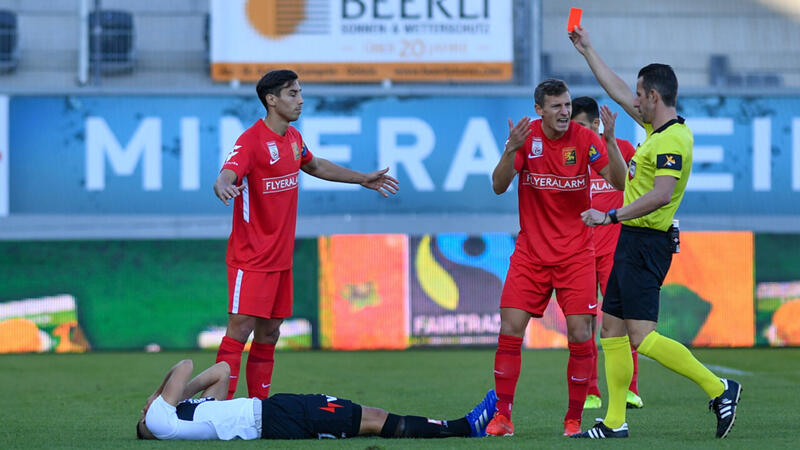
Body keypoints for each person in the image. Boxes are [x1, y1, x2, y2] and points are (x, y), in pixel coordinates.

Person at [569, 26, 741, 439]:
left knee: (642, 338)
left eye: (640, 95)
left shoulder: (674, 140)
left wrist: (611, 217)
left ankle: (719, 389)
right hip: (632, 240)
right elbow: (615, 90)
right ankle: (614, 422)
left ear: (655, 97)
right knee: (609, 329)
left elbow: (663, 194)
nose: (635, 100)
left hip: (647, 243)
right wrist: (587, 50)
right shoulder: (654, 131)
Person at [213, 69, 399, 401]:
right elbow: (228, 171)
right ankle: (221, 408)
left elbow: (314, 166)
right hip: (250, 257)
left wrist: (361, 179)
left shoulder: (294, 139)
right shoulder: (251, 141)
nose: (300, 100)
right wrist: (224, 184)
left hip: (280, 258)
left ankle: (259, 407)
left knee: (270, 333)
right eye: (292, 94)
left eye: (299, 92)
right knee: (239, 330)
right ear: (271, 100)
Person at [487, 78, 628, 437]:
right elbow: (499, 185)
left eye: (567, 105)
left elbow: (618, 182)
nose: (565, 112)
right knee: (509, 328)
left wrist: (610, 142)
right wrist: (509, 150)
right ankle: (503, 417)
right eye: (557, 106)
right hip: (530, 253)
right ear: (540, 110)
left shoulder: (584, 139)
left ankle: (573, 420)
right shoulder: (526, 137)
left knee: (581, 334)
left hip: (576, 254)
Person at [136, 359, 498, 441]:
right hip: (275, 419)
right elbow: (184, 366)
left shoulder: (184, 415)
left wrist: (176, 397)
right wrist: (157, 396)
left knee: (369, 415)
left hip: (275, 410)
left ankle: (461, 426)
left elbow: (222, 371)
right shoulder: (160, 422)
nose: (145, 413)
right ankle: (463, 428)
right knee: (371, 419)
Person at [570, 96, 644, 411]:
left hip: (616, 249)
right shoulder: (568, 155)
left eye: (584, 126)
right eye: (575, 127)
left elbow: (643, 189)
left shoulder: (624, 149)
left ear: (597, 125)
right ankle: (590, 391)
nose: (579, 133)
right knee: (583, 324)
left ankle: (629, 389)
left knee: (624, 322)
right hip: (580, 251)